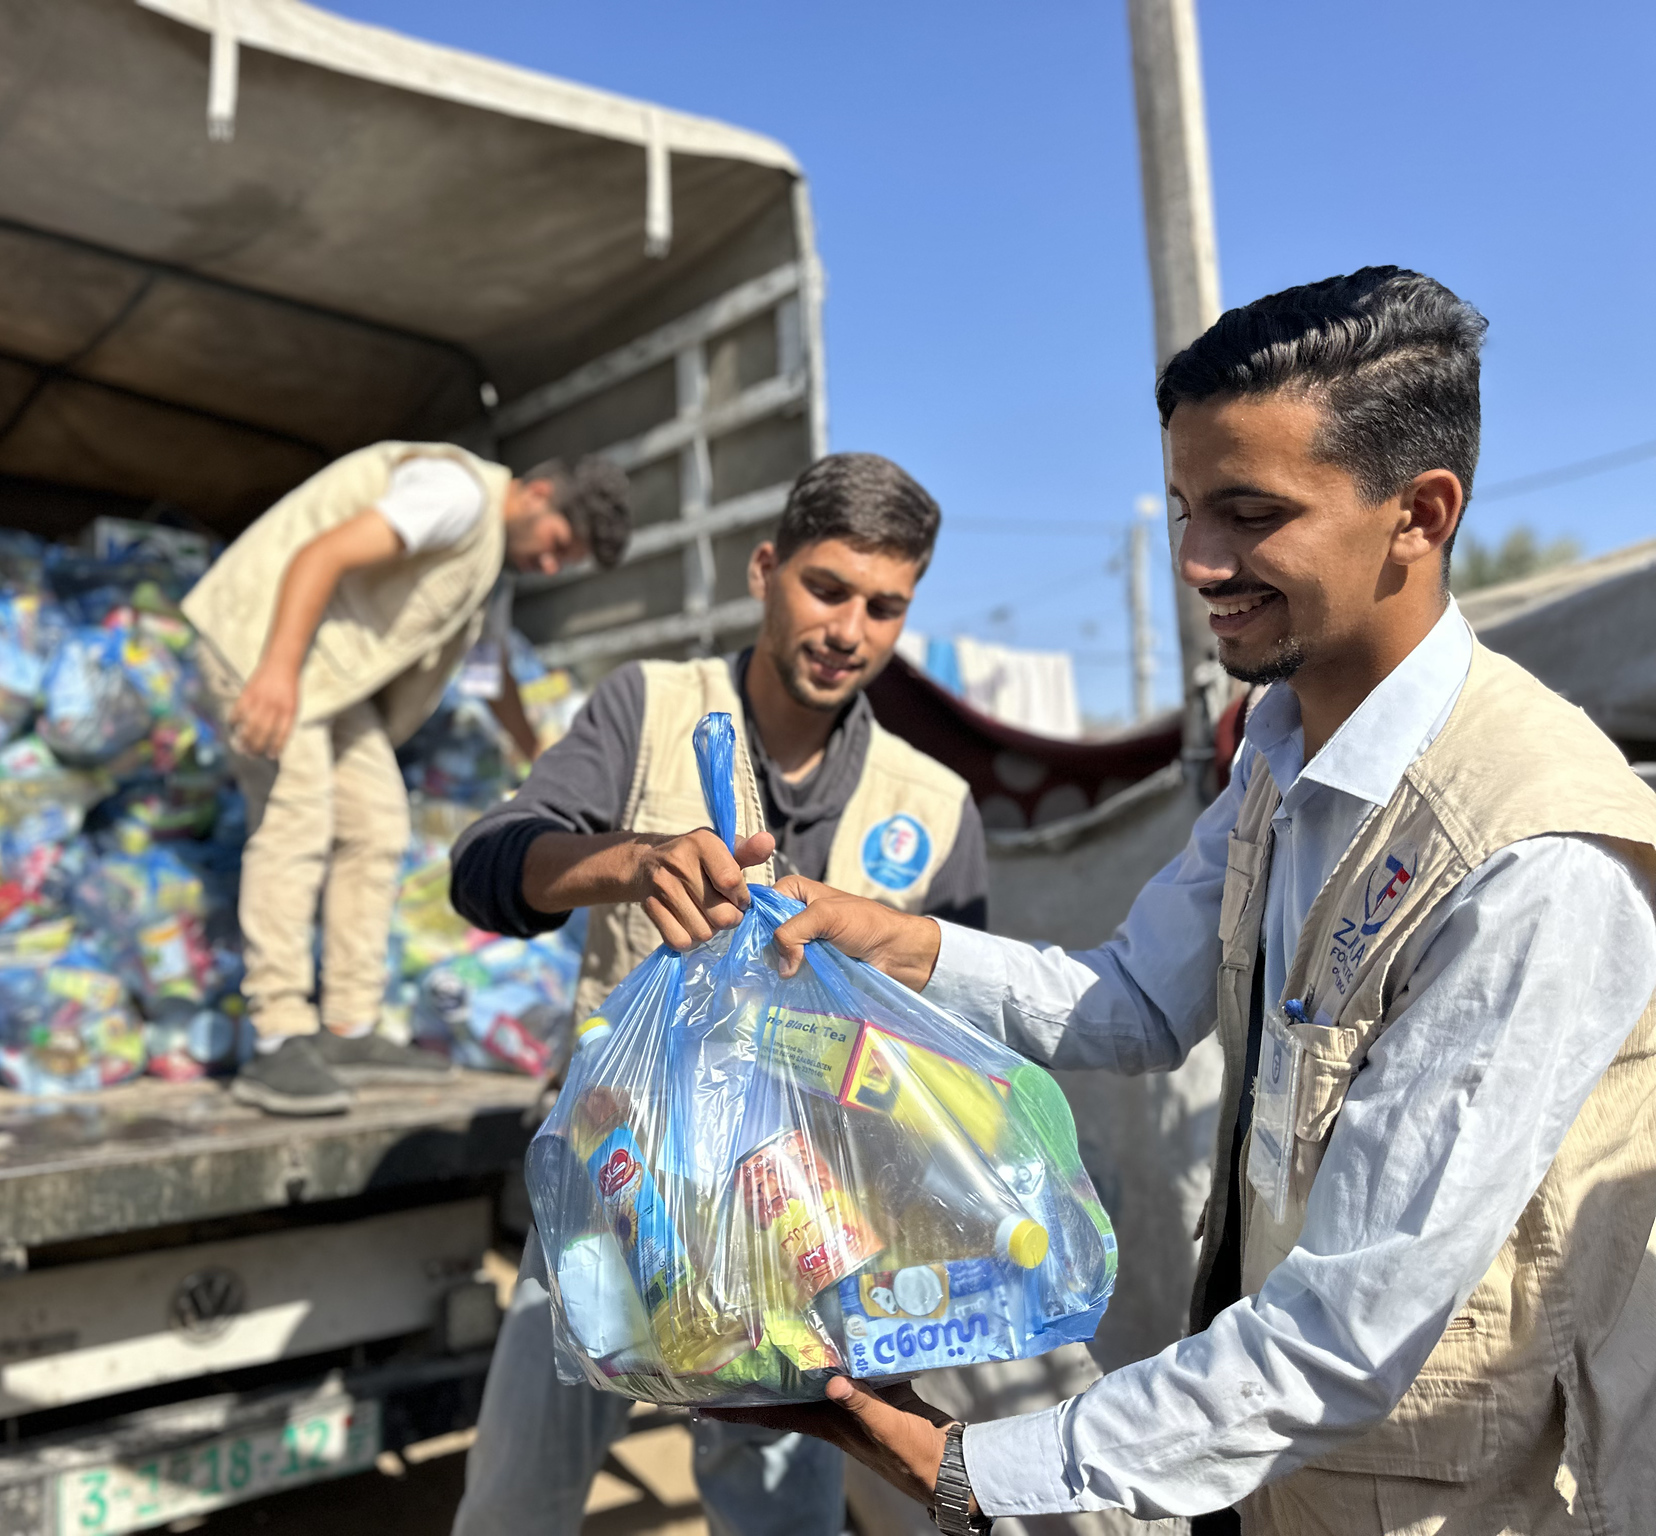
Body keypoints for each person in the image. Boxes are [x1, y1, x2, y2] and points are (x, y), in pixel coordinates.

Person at [712, 268, 1656, 1536]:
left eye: (1250, 513)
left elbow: (1344, 1334)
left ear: (1417, 515)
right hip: (1276, 1474)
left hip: (1452, 1501)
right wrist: (892, 939)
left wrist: (965, 1468)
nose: (1198, 562)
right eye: (1181, 509)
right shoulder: (1281, 748)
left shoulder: (1528, 857)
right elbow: (1137, 1002)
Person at [447, 452, 991, 1536]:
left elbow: (955, 1051)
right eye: (826, 588)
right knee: (512, 1505)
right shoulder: (648, 708)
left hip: (805, 1244)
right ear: (764, 569)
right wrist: (631, 862)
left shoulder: (931, 808)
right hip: (610, 1205)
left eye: (884, 607)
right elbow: (489, 865)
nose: (849, 630)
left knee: (779, 1521)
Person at [184, 442, 631, 1115]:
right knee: (296, 815)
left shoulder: (489, 573)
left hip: (324, 678)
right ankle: (276, 1036)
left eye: (561, 564)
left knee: (378, 822)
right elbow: (322, 555)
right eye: (555, 546)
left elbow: (491, 675)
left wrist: (540, 754)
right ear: (537, 495)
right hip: (263, 645)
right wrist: (273, 671)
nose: (547, 565)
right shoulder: (456, 497)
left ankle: (348, 1027)